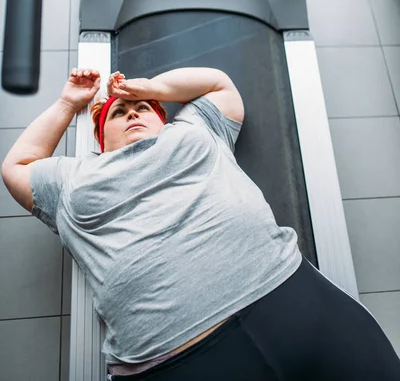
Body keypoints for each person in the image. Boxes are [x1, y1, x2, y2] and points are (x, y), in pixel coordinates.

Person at [2, 66, 400, 381]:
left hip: (290, 302)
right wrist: (69, 102)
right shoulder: (71, 178)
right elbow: (15, 167)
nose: (133, 113)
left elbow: (218, 84)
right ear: (100, 139)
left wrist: (150, 87)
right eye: (118, 113)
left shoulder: (194, 129)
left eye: (142, 108)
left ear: (162, 116)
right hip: (171, 358)